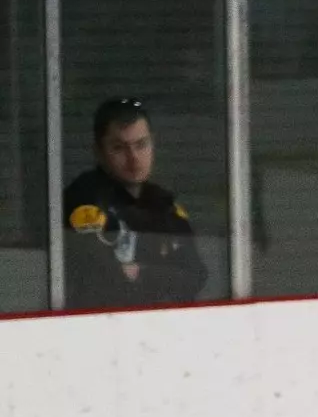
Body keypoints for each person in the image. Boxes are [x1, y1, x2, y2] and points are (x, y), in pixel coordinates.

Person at [62, 98, 208, 309]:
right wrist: (162, 275)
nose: (134, 158)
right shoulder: (85, 199)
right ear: (99, 152)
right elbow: (101, 278)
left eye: (141, 145)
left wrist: (139, 272)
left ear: (152, 143)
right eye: (119, 148)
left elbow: (196, 275)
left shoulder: (164, 204)